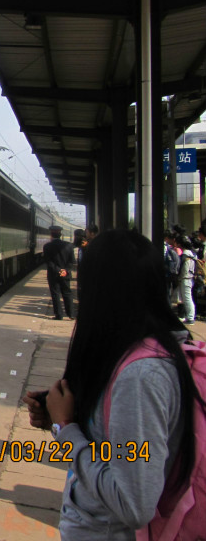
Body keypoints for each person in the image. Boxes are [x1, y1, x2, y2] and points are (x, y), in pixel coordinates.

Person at [23, 229, 202, 540]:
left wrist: (67, 429)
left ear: (99, 290)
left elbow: (133, 505)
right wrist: (64, 416)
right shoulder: (141, 348)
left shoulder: (141, 377)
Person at [43, 225, 75, 320]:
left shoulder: (47, 246)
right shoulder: (69, 246)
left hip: (53, 274)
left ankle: (59, 315)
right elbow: (72, 261)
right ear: (61, 234)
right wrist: (65, 270)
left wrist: (58, 270)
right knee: (67, 293)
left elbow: (49, 262)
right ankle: (71, 314)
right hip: (65, 274)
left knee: (55, 294)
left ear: (51, 234)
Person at [177, 234, 197, 325]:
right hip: (191, 278)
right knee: (188, 298)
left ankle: (190, 317)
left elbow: (184, 269)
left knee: (187, 298)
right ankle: (189, 316)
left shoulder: (185, 255)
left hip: (186, 278)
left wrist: (180, 278)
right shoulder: (192, 254)